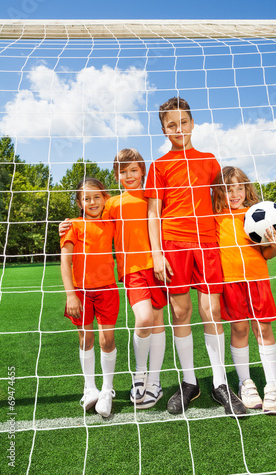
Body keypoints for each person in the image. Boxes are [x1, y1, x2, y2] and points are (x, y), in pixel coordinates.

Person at [145, 97, 246, 416]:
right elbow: (152, 213)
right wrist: (157, 254)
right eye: (171, 125)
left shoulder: (210, 160)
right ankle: (189, 382)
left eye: (183, 122)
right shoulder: (158, 165)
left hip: (208, 245)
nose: (179, 129)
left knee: (211, 310)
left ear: (192, 123)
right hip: (174, 246)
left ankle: (220, 384)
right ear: (163, 129)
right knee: (180, 311)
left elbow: (222, 203)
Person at [213, 166, 276, 414]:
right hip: (230, 282)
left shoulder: (259, 214)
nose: (234, 194)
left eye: (239, 188)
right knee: (240, 329)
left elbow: (266, 253)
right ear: (219, 193)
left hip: (257, 280)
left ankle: (273, 387)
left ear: (247, 189)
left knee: (263, 328)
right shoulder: (215, 218)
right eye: (227, 189)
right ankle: (246, 383)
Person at [105, 148, 167, 409]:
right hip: (133, 270)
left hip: (159, 267)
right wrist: (70, 224)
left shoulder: (153, 197)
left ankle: (155, 382)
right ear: (117, 175)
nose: (129, 175)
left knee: (157, 322)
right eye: (123, 172)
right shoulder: (112, 204)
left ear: (142, 170)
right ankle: (139, 373)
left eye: (133, 170)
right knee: (143, 319)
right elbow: (95, 225)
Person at [60, 178, 119, 418]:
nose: (92, 202)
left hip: (107, 290)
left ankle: (107, 389)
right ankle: (90, 387)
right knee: (86, 340)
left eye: (97, 197)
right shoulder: (72, 225)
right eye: (86, 198)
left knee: (107, 340)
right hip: (80, 293)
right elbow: (65, 262)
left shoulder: (112, 222)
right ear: (79, 202)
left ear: (105, 198)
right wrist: (70, 295)